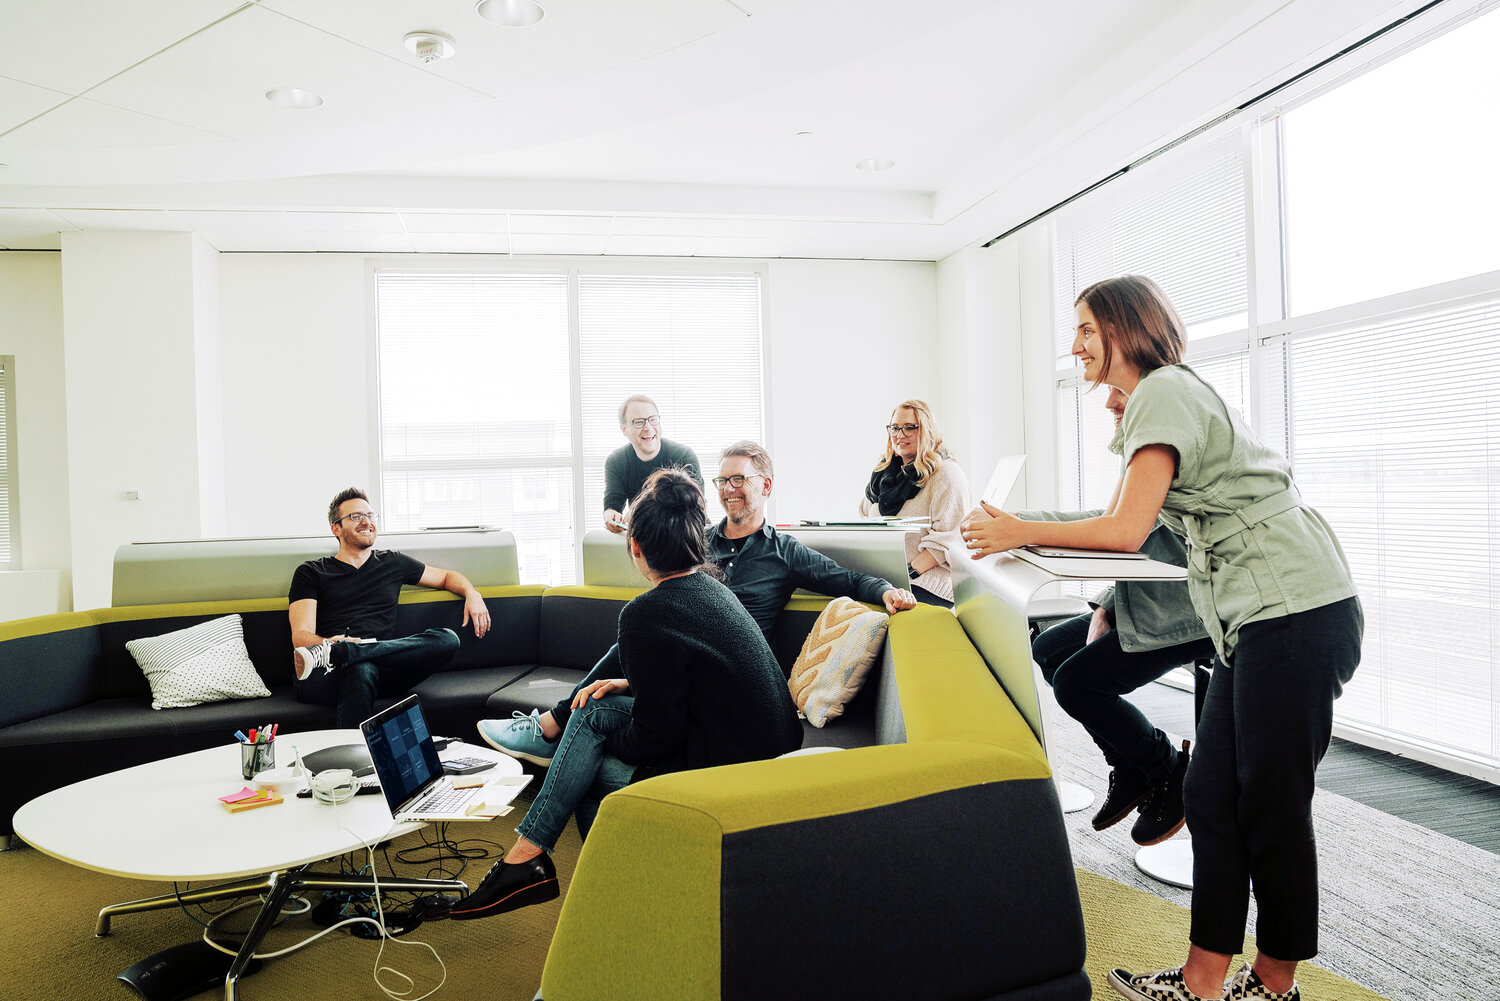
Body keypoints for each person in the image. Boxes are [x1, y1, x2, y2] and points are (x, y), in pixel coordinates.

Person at [961, 275, 1361, 1001]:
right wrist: (1017, 528)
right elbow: (1115, 520)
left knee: (1269, 805)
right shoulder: (1158, 402)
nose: (1075, 344)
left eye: (1085, 327)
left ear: (1124, 327)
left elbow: (1121, 531)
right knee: (1208, 792)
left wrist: (1022, 530)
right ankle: (1202, 982)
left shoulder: (1164, 391)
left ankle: (1274, 987)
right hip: (1258, 617)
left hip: (1298, 609)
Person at [449, 469, 802, 920]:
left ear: (635, 548)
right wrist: (630, 685)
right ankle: (533, 857)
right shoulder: (712, 588)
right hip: (768, 745)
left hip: (732, 767)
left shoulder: (646, 613)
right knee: (593, 706)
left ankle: (610, 897)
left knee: (589, 772)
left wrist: (592, 750)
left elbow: (658, 736)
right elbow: (706, 679)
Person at [477, 439, 917, 764]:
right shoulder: (695, 541)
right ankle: (553, 726)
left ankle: (551, 727)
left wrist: (886, 592)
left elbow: (848, 579)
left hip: (729, 679)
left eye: (739, 479)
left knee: (631, 641)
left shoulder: (785, 552)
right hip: (677, 659)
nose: (728, 489)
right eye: (722, 480)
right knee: (634, 632)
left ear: (765, 484)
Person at [1027, 387, 1215, 847]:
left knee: (1076, 683)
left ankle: (1165, 768)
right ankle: (1129, 765)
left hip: (1187, 605)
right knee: (1048, 647)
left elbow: (1122, 533)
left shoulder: (1165, 440)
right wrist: (1106, 604)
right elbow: (1132, 531)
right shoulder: (1140, 450)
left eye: (1118, 393)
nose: (1109, 402)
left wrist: (1021, 526)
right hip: (1146, 592)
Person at [289, 488, 491, 729]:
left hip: (384, 669)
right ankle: (356, 761)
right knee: (360, 670)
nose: (366, 522)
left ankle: (351, 652)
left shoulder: (392, 562)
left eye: (370, 515)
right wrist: (330, 644)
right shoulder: (311, 572)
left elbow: (447, 576)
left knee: (447, 640)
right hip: (328, 671)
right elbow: (300, 637)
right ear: (336, 528)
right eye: (355, 517)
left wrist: (472, 593)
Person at [858, 399, 972, 607]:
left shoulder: (946, 474)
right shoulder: (882, 475)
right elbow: (865, 521)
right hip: (889, 581)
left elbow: (948, 540)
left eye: (909, 428)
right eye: (895, 428)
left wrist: (906, 574)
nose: (900, 435)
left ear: (926, 430)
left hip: (926, 583)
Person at [601, 394, 703, 533]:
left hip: (686, 535)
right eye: (638, 422)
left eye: (653, 420)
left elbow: (696, 508)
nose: (648, 428)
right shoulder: (616, 461)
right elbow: (612, 504)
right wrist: (611, 515)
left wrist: (641, 513)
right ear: (624, 429)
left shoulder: (683, 456)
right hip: (646, 537)